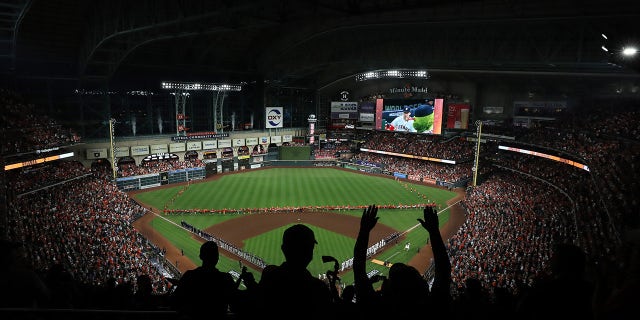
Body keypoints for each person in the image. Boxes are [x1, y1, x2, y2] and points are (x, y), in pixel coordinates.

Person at [353, 205, 451, 317]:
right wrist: (434, 231)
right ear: (421, 285)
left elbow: (358, 267)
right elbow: (444, 269)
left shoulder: (375, 309)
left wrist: (364, 230)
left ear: (388, 289)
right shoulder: (433, 308)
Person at [253, 224, 335, 319]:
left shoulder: (269, 275)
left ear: (283, 249)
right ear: (310, 252)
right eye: (310, 247)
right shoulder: (319, 288)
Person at [172, 240, 253, 319]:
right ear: (217, 258)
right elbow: (236, 299)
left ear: (200, 256)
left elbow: (175, 302)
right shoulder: (226, 278)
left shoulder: (189, 276)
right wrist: (246, 280)